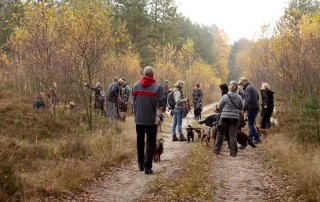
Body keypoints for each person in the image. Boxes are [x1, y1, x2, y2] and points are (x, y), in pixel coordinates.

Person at [132, 66, 165, 175]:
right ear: (153, 75)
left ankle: (140, 164)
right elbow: (161, 103)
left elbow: (133, 102)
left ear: (143, 74)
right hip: (152, 120)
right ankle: (148, 167)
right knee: (150, 143)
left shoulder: (135, 86)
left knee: (140, 142)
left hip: (139, 119)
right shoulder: (157, 87)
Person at [213, 81, 244, 157]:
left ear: (230, 88)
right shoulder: (239, 97)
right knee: (233, 135)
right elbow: (241, 108)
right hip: (235, 119)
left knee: (220, 133)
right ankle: (233, 153)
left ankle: (216, 150)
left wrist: (216, 109)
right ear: (237, 89)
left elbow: (219, 108)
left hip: (224, 118)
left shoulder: (225, 96)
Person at [238, 77, 261, 143]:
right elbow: (258, 97)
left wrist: (244, 109)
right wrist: (255, 102)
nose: (241, 85)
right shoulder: (251, 87)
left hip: (251, 108)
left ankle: (257, 139)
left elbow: (247, 101)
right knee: (251, 123)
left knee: (250, 123)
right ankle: (250, 139)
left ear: (245, 81)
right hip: (255, 107)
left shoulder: (248, 89)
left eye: (241, 83)